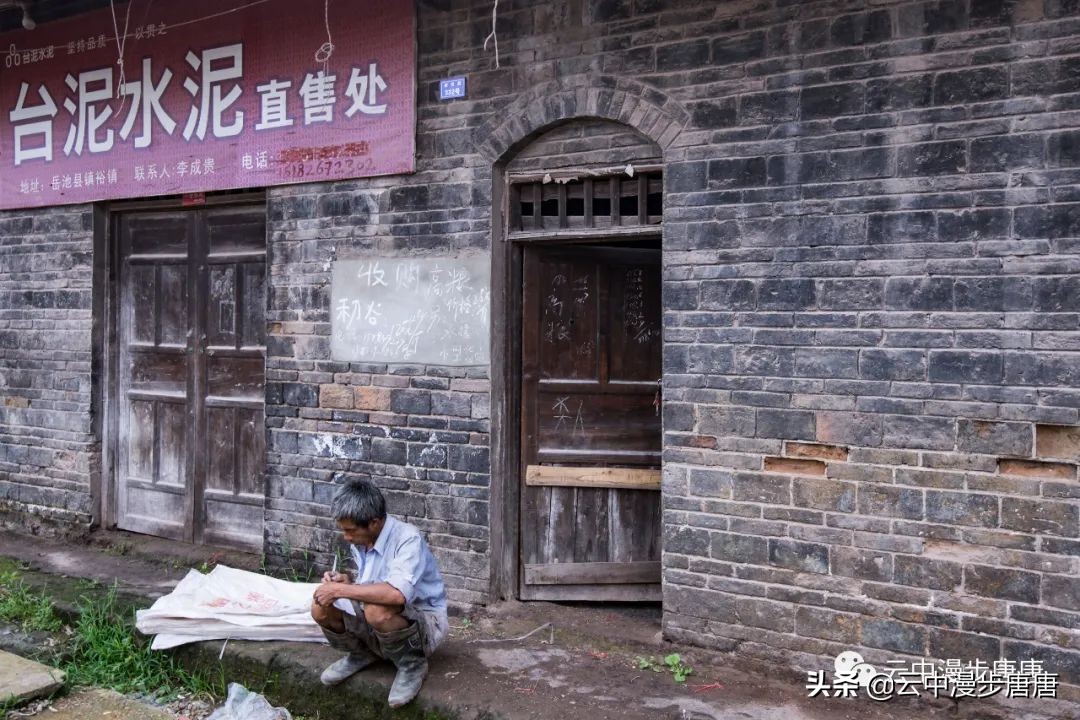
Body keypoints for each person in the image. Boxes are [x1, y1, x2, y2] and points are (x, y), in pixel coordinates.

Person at [310, 479, 448, 708]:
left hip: (426, 623)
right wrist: (347, 582)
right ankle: (362, 653)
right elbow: (371, 585)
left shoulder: (407, 539)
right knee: (319, 606)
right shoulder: (363, 540)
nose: (346, 537)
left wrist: (343, 589)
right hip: (382, 613)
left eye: (350, 530)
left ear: (374, 523)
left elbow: (396, 595)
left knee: (377, 610)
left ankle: (412, 664)